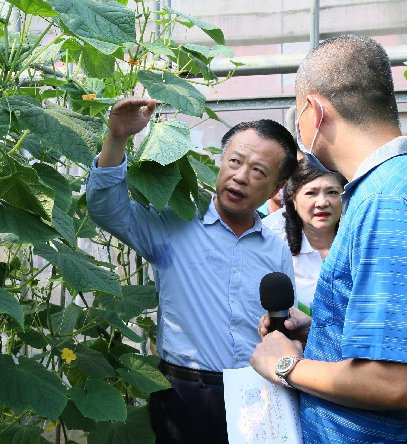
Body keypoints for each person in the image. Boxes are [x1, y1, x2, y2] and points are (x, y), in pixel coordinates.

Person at [250, 35, 407, 442]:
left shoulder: (386, 201)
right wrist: (323, 333)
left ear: (313, 111)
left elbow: (395, 382)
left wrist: (287, 366)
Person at [85, 97, 298, 444]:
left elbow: (279, 321)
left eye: (257, 171)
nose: (240, 177)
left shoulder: (274, 247)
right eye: (234, 161)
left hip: (256, 392)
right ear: (221, 161)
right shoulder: (175, 222)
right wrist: (117, 138)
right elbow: (107, 209)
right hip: (185, 393)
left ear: (276, 187)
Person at [263, 158, 346, 314]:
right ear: (293, 199)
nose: (322, 202)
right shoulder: (273, 242)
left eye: (332, 192)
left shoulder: (359, 244)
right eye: (311, 193)